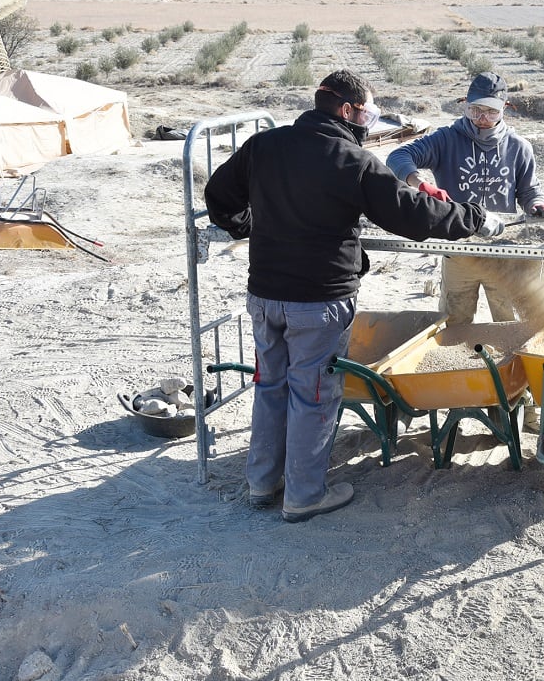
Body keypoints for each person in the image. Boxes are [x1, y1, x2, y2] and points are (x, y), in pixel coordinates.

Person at [203, 69, 505, 524]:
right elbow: (412, 215)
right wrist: (473, 217)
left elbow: (218, 195)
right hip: (320, 302)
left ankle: (262, 482)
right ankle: (304, 495)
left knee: (271, 385)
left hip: (265, 296)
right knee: (315, 394)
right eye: (367, 112)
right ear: (347, 110)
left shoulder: (264, 146)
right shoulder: (351, 159)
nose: (368, 121)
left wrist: (250, 226)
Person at [386, 71, 544, 325]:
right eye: (475, 110)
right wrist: (422, 185)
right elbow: (397, 158)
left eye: (491, 112)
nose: (482, 118)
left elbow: (529, 191)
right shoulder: (445, 140)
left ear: (505, 109)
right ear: (464, 105)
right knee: (453, 322)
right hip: (458, 248)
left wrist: (537, 206)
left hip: (503, 251)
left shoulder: (518, 147)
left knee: (507, 324)